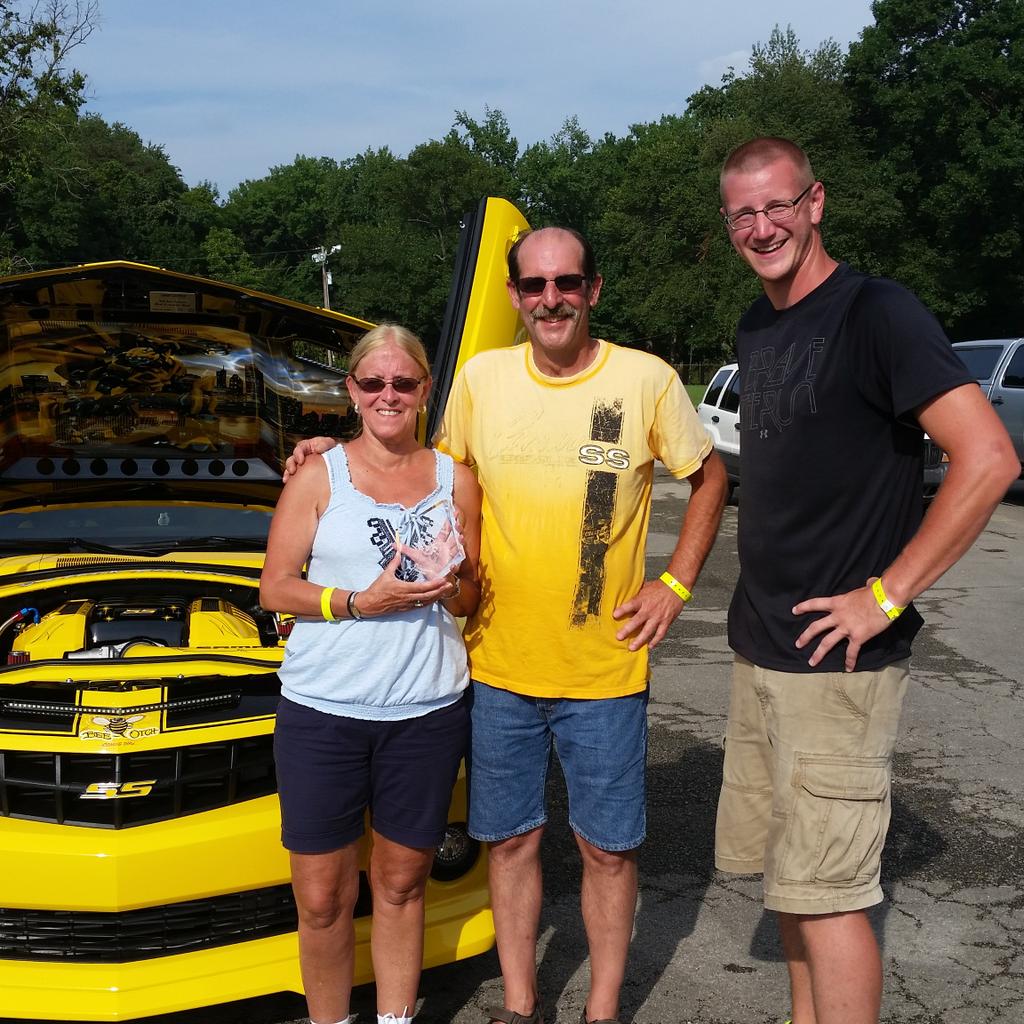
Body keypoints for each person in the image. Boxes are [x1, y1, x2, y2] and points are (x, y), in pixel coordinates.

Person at [287, 226, 727, 1024]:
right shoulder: (482, 381)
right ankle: (521, 1005)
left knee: (607, 850)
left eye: (566, 283)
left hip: (605, 665)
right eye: (534, 286)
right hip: (491, 667)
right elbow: (423, 469)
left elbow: (711, 476)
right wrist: (333, 451)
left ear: (593, 289)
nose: (550, 299)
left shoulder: (646, 380)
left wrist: (675, 583)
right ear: (514, 297)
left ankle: (600, 1011)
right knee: (513, 842)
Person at [714, 137, 1020, 1024]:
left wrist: (886, 594)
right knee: (794, 890)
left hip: (838, 665)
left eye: (779, 205)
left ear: (816, 202)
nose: (763, 226)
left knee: (835, 897)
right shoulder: (760, 325)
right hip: (763, 646)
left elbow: (988, 458)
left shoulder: (878, 312)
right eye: (744, 213)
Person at [260, 323, 482, 1024]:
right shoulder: (317, 476)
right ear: (352, 391)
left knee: (402, 884)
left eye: (404, 383)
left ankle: (394, 1018)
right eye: (373, 382)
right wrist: (358, 601)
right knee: (323, 897)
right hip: (323, 713)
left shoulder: (458, 480)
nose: (389, 395)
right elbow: (274, 589)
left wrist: (447, 584)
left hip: (425, 711)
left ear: (424, 391)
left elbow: (475, 597)